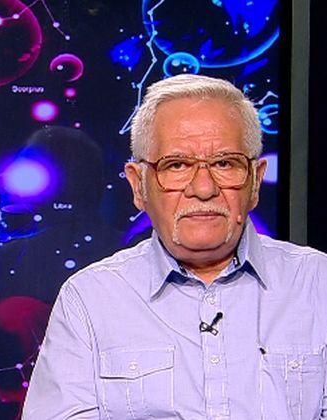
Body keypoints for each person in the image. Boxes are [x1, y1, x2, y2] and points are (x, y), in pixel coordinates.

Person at [22, 74, 327, 419]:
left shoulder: (318, 283)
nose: (204, 188)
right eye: (177, 165)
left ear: (255, 181)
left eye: (225, 163)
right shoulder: (89, 299)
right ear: (138, 186)